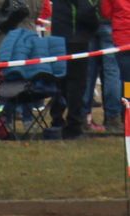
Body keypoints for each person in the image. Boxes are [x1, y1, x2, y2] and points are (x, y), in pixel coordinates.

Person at [50, 0, 100, 138]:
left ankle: (57, 119)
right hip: (75, 40)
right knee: (76, 84)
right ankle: (74, 125)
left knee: (60, 81)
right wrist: (94, 25)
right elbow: (86, 11)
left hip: (58, 38)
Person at [82, 16, 122, 133]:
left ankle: (84, 116)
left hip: (90, 22)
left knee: (88, 73)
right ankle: (113, 118)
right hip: (111, 23)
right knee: (112, 72)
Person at [100, 0, 130, 96]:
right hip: (122, 36)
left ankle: (128, 100)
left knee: (126, 78)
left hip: (122, 37)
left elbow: (106, 12)